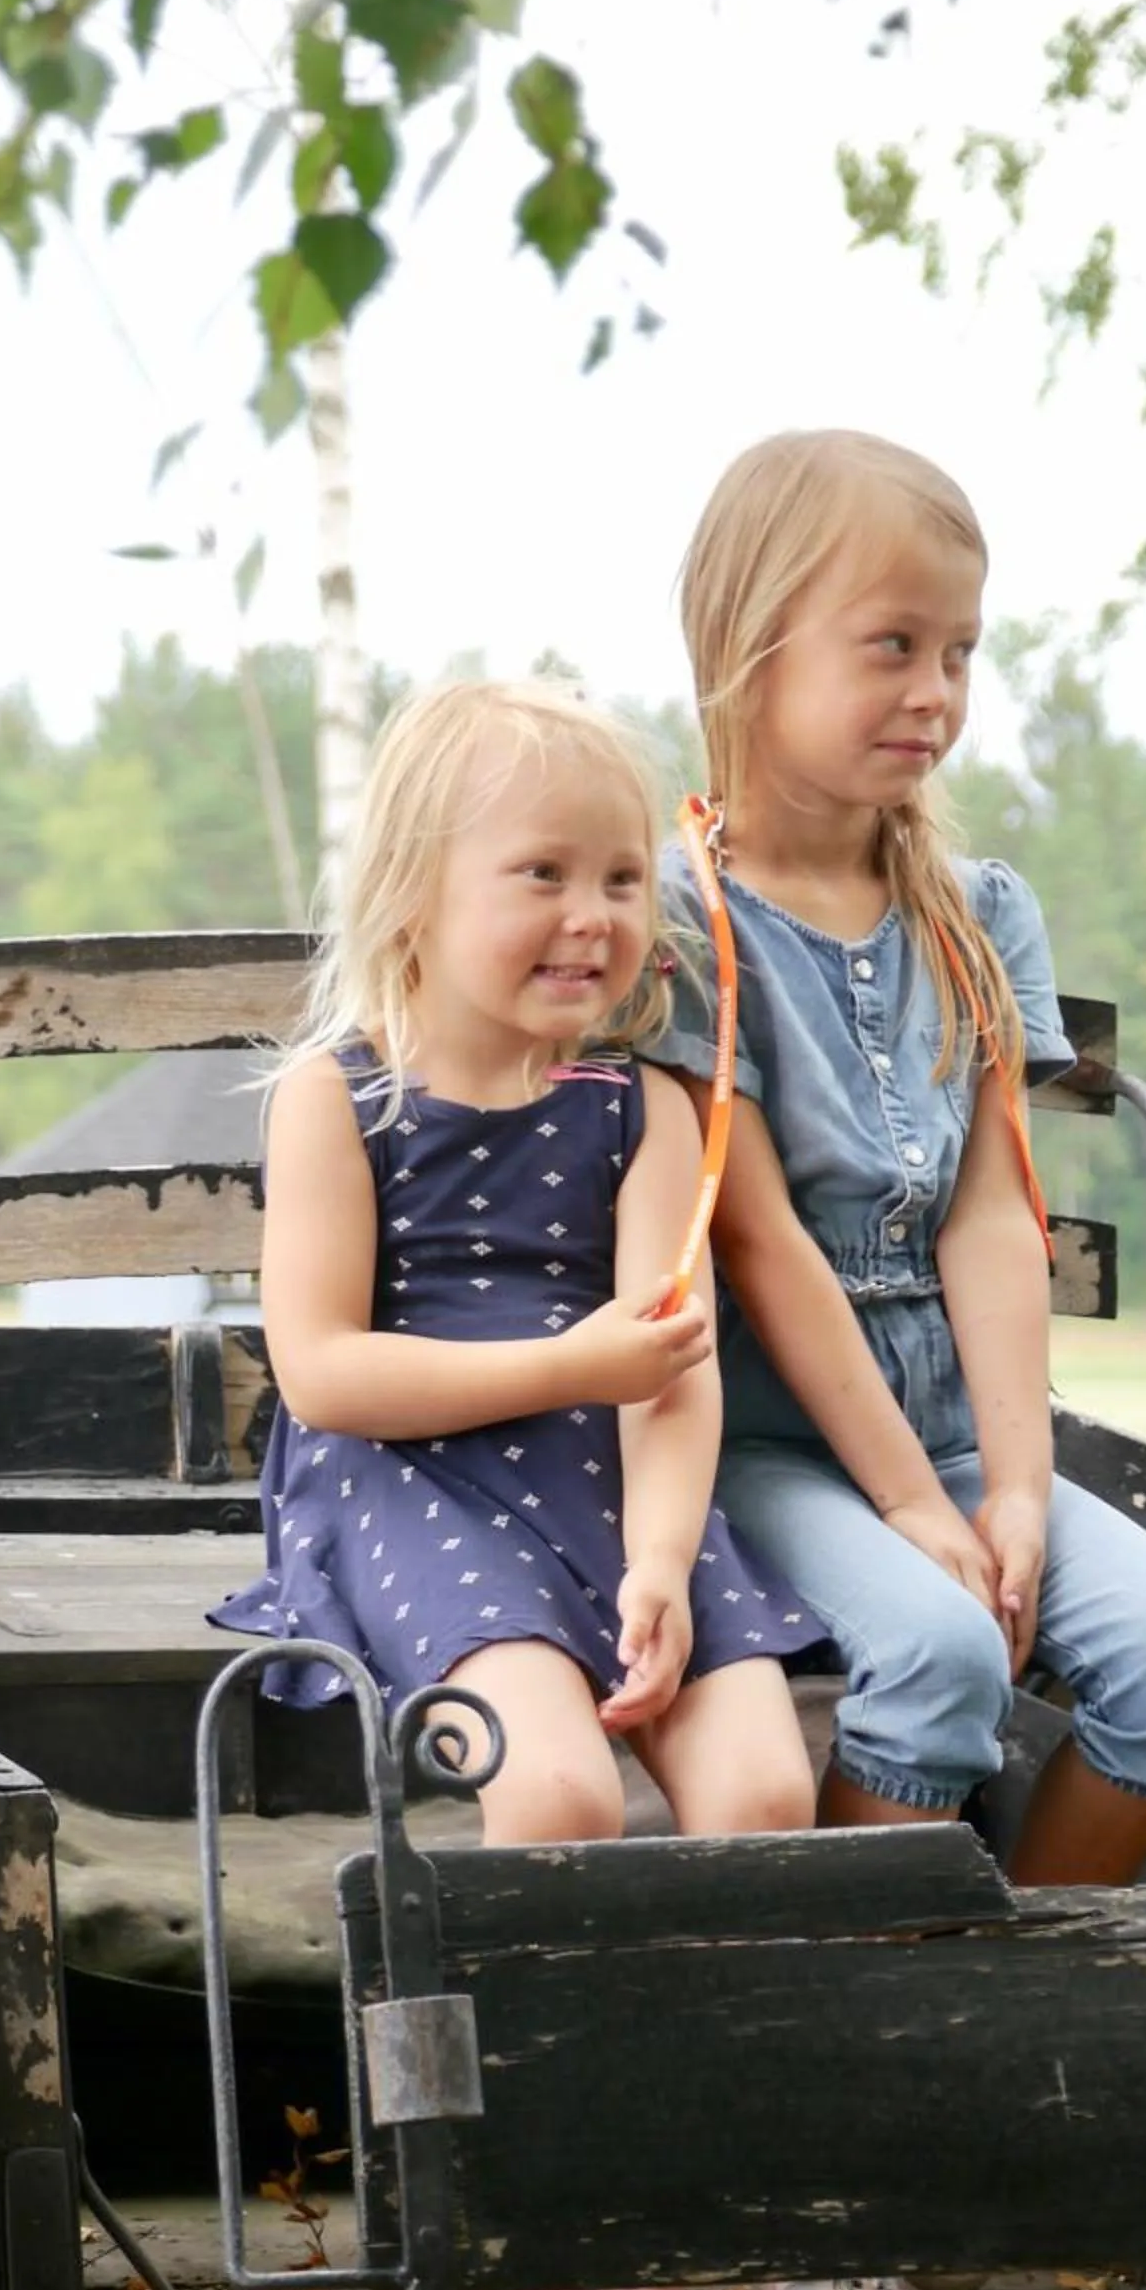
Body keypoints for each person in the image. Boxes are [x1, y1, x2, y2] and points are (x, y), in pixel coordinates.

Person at [655, 430, 1146, 1885]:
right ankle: (870, 2031)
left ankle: (1017, 2007)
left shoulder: (975, 909)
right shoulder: (682, 920)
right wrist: (919, 1511)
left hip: (957, 1425)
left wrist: (1015, 1491)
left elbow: (991, 1217)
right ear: (751, 646)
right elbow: (758, 1242)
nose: (935, 692)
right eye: (891, 647)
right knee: (936, 1658)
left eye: (961, 653)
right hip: (764, 1438)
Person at [211, 677, 817, 1856]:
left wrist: (661, 1563)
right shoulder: (336, 1101)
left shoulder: (641, 1111)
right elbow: (324, 1376)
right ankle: (522, 2038)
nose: (593, 914)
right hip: (406, 1481)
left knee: (764, 1798)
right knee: (558, 1797)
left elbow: (668, 1371)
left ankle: (709, 2034)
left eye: (623, 880)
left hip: (614, 1483)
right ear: (412, 898)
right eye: (544, 875)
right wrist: (573, 1364)